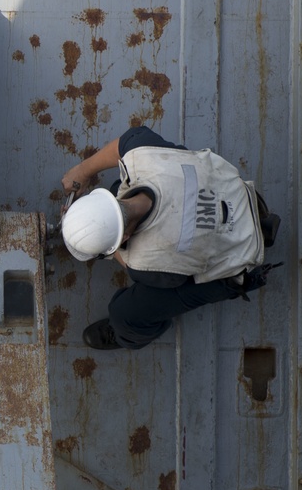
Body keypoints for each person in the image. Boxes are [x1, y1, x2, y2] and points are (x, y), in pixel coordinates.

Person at [60, 126, 281, 350]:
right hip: (237, 196)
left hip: (241, 252)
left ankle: (127, 334)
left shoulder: (144, 263)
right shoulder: (142, 155)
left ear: (124, 236)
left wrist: (104, 248)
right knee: (120, 186)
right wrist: (83, 171)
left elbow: (130, 263)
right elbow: (124, 141)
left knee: (125, 314)